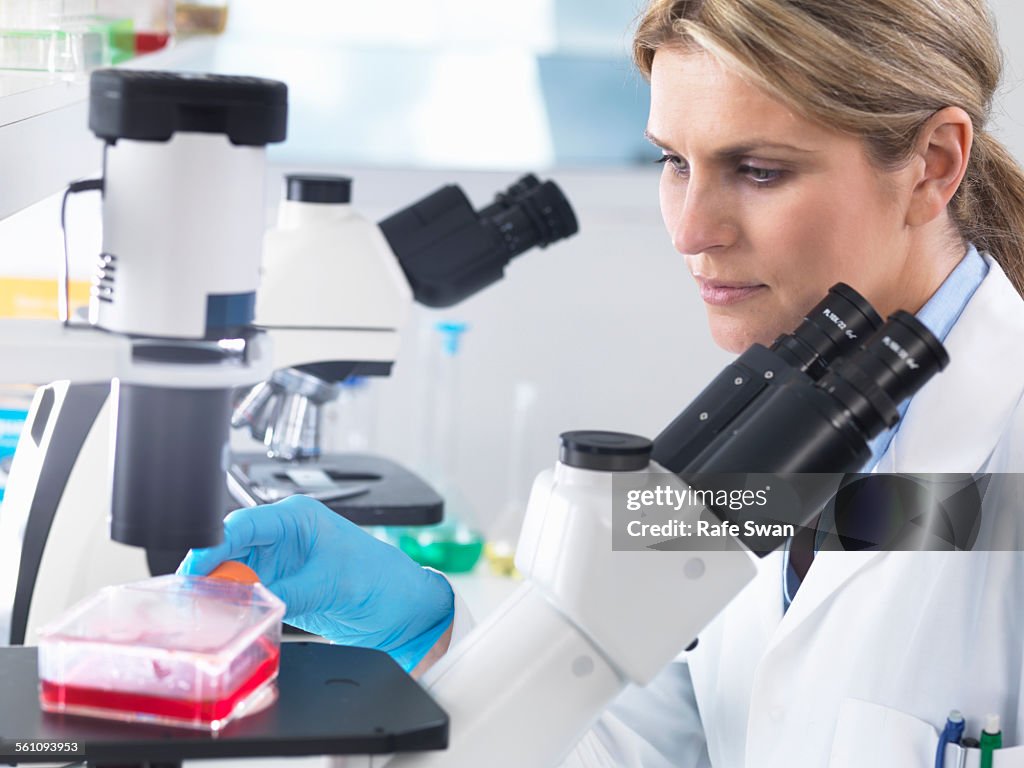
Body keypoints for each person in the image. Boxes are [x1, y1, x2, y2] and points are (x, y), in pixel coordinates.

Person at [180, 0, 1024, 764]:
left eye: (759, 171)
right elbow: (658, 745)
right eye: (671, 161)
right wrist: (433, 633)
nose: (691, 229)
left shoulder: (1002, 445)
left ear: (934, 164)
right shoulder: (783, 415)